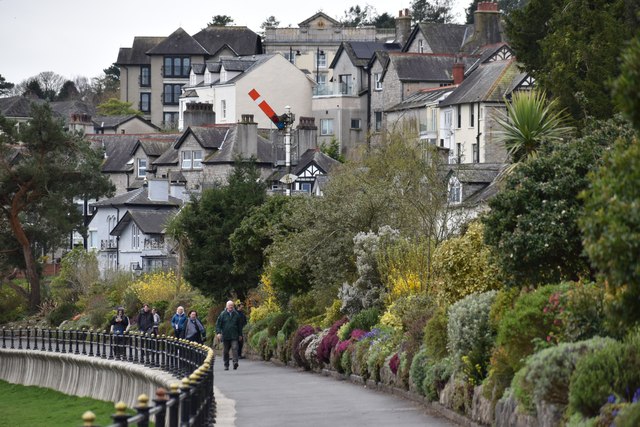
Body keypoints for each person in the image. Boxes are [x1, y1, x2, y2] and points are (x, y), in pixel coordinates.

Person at [216, 300, 243, 371]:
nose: (231, 306)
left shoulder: (236, 314)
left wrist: (240, 335)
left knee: (235, 348)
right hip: (226, 336)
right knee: (225, 351)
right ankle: (226, 365)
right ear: (226, 306)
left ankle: (235, 362)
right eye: (229, 305)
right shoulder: (222, 314)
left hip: (234, 335)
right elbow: (218, 325)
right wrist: (218, 333)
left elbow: (239, 326)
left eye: (232, 305)